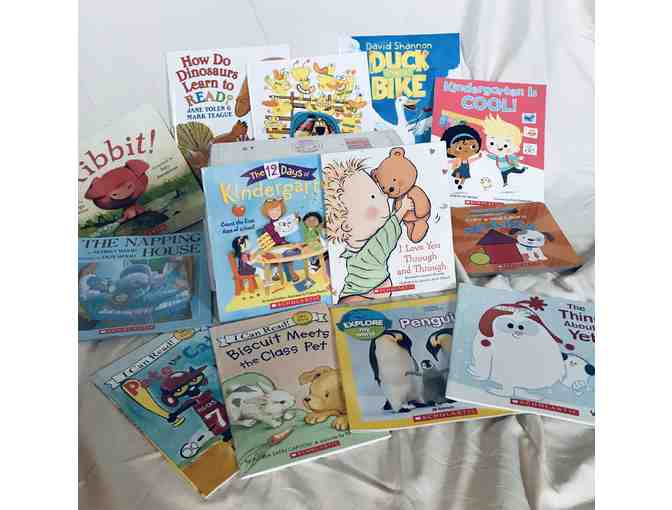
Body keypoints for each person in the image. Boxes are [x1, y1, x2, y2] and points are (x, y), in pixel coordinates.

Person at [440, 123, 483, 190]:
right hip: (459, 168)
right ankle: (457, 179)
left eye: (473, 146)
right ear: (449, 150)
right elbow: (451, 161)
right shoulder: (458, 159)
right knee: (457, 173)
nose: (466, 150)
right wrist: (445, 162)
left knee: (464, 178)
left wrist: (478, 157)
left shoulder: (467, 160)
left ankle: (460, 185)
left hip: (465, 170)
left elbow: (471, 160)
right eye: (459, 148)